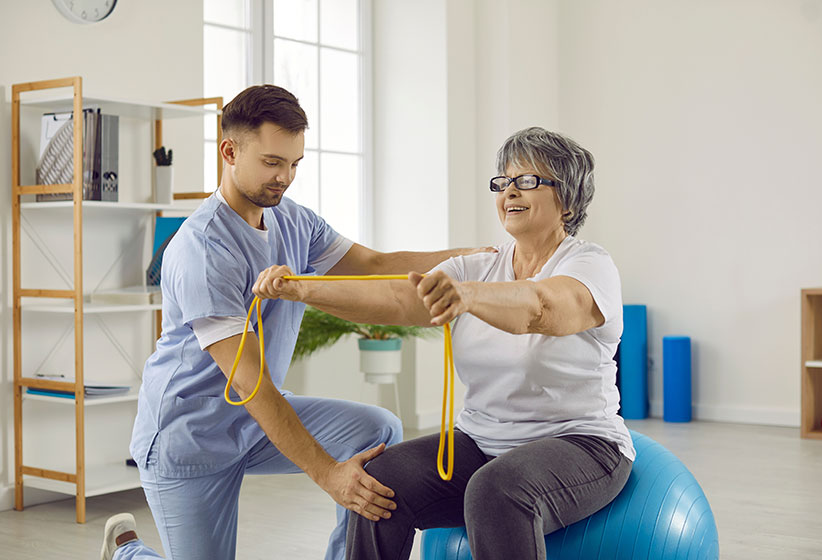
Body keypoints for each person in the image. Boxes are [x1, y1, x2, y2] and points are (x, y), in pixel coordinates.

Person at [100, 84, 490, 560]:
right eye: (271, 162)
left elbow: (374, 264)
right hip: (189, 438)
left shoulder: (292, 221)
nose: (284, 177)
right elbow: (250, 383)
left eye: (294, 164)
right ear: (229, 151)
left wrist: (468, 259)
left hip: (253, 422)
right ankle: (126, 553)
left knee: (377, 430)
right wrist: (329, 476)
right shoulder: (202, 249)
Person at [252, 127, 636, 560]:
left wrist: (468, 296)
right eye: (503, 182)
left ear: (566, 197)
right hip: (482, 440)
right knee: (379, 482)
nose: (510, 191)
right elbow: (397, 298)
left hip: (580, 443)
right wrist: (303, 290)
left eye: (527, 180)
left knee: (497, 489)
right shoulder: (478, 266)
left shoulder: (589, 264)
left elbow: (542, 308)